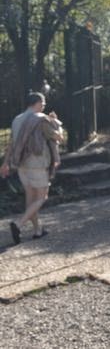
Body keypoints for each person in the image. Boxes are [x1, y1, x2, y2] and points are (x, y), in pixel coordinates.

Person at [0, 92, 64, 244]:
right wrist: (56, 122)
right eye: (43, 104)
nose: (44, 107)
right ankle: (18, 224)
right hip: (38, 165)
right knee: (42, 198)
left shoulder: (17, 119)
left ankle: (37, 230)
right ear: (38, 103)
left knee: (31, 198)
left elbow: (12, 144)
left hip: (21, 165)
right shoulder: (41, 119)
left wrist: (5, 163)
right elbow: (59, 137)